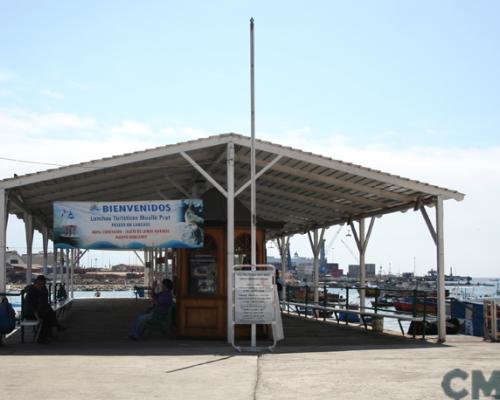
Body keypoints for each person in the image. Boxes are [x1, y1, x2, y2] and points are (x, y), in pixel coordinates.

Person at [24, 275, 66, 344]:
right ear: (37, 283)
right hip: (30, 313)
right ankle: (42, 338)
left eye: (43, 284)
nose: (43, 286)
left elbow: (43, 303)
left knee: (49, 311)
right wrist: (37, 316)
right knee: (46, 317)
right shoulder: (31, 292)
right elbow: (31, 307)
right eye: (42, 284)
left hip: (39, 311)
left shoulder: (41, 290)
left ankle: (49, 334)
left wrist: (43, 291)